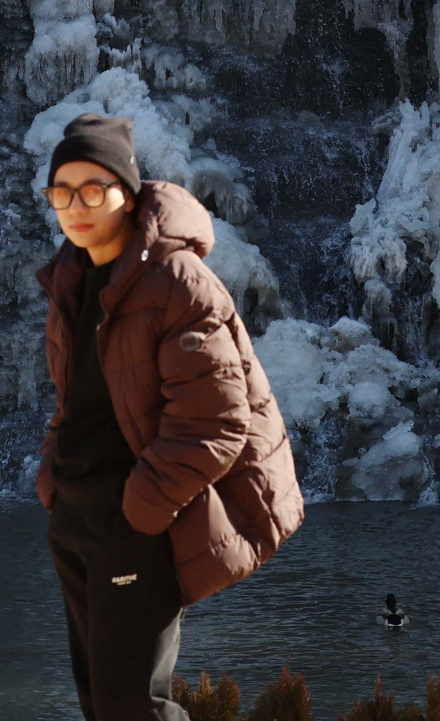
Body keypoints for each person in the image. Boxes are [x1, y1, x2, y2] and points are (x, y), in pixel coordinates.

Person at [36, 111, 304, 721]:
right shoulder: (70, 279)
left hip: (136, 518)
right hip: (76, 515)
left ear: (127, 196)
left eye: (93, 188)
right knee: (102, 704)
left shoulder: (177, 281)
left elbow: (217, 423)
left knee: (134, 707)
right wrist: (53, 478)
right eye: (61, 191)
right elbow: (74, 401)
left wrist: (141, 512)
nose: (75, 205)